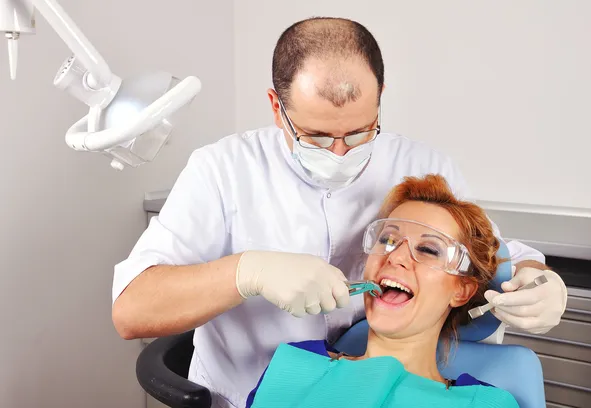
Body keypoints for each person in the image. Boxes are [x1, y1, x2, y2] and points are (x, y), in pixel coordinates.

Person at [112, 17, 567, 408]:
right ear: (276, 107)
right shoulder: (222, 170)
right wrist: (247, 272)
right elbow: (132, 310)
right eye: (315, 136)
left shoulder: (424, 168)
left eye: (360, 133)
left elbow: (485, 251)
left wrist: (534, 274)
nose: (340, 150)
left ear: (380, 96)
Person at [246, 174, 520, 407]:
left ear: (461, 291)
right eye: (387, 239)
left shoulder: (483, 403)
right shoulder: (297, 365)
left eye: (427, 249)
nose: (396, 256)